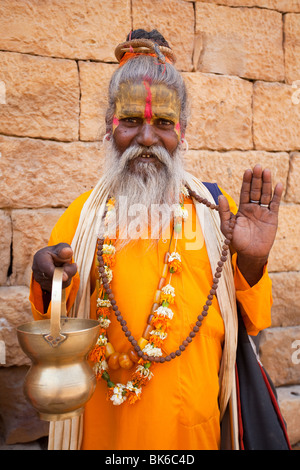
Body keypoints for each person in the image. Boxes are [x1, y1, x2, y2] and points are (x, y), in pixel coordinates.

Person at [29, 29, 283, 451]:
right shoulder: (82, 217)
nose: (147, 139)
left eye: (163, 123)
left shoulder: (212, 214)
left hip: (193, 433)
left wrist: (253, 261)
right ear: (109, 127)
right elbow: (51, 331)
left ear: (182, 131)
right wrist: (46, 280)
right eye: (131, 121)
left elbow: (253, 322)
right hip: (105, 434)